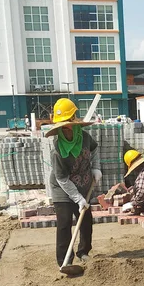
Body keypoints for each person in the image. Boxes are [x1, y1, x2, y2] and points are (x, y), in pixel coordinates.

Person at [45, 98, 102, 272]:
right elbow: (62, 178)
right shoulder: (57, 150)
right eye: (63, 125)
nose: (66, 128)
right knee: (64, 223)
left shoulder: (84, 137)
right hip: (62, 188)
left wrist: (96, 168)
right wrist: (77, 199)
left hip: (84, 183)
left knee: (85, 221)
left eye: (68, 124)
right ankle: (65, 260)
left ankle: (83, 252)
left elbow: (94, 150)